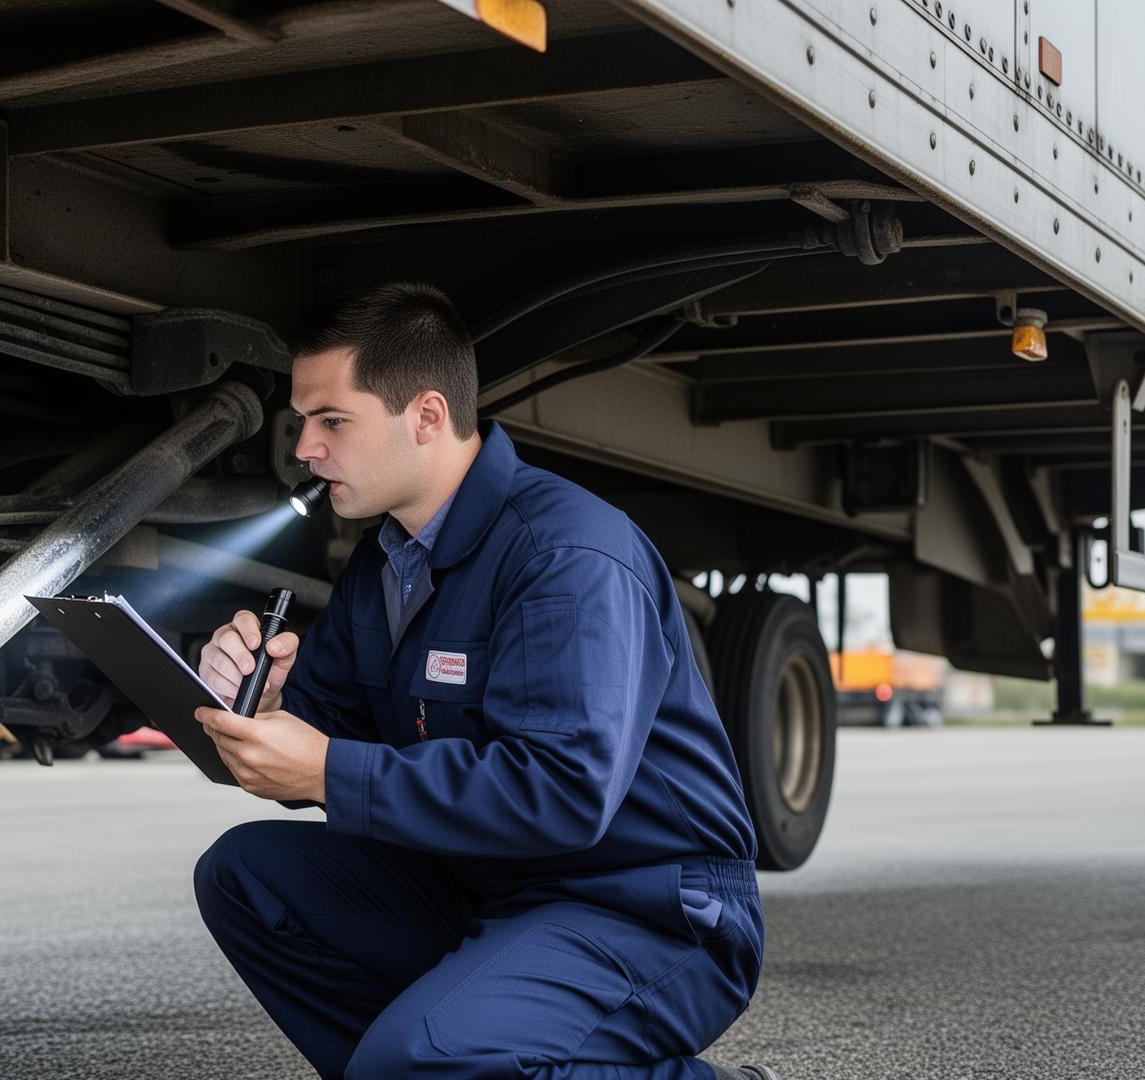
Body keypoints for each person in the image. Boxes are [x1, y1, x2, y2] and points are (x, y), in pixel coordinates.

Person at [189, 283, 778, 1080]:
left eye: (333, 421)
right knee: (245, 877)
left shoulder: (566, 555)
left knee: (422, 1059)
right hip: (487, 886)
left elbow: (564, 791)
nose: (305, 450)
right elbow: (330, 737)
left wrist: (327, 769)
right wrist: (267, 703)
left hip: (644, 908)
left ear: (427, 416)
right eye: (303, 423)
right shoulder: (387, 561)